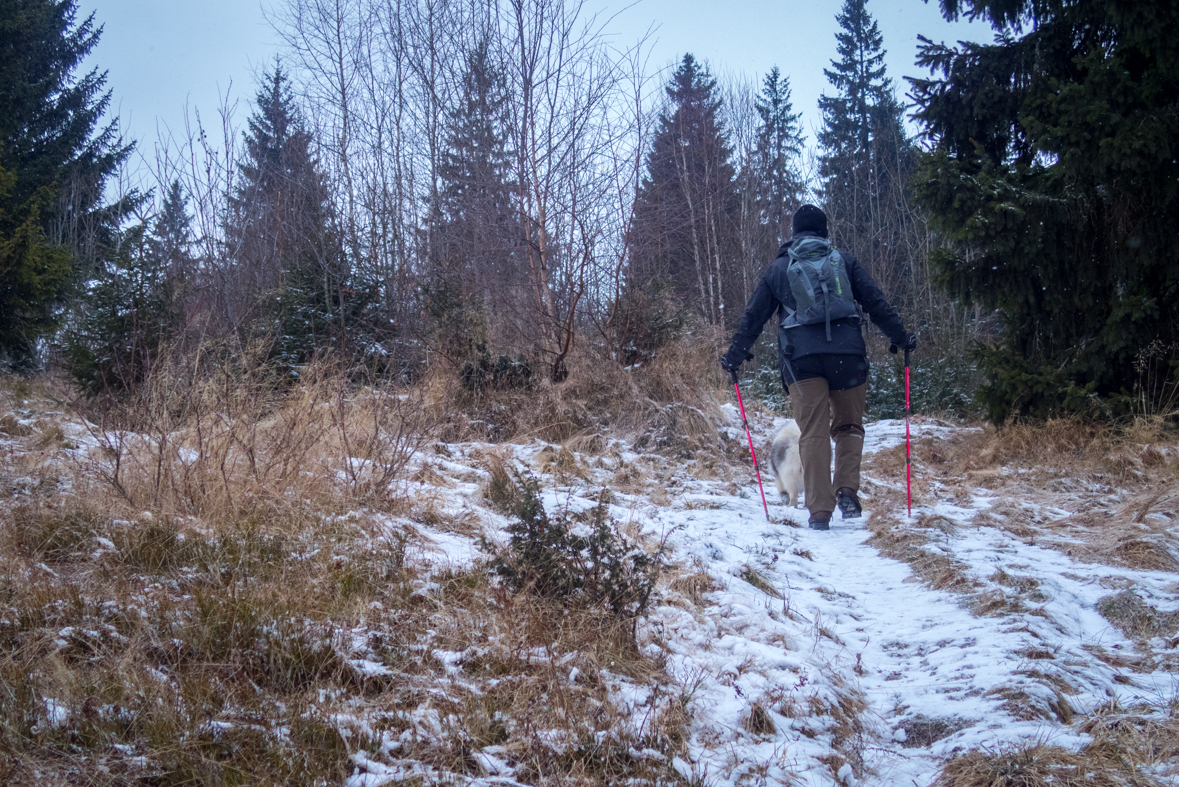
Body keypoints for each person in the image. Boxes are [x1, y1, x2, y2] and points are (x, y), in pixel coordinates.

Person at [721, 204, 915, 530]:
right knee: (849, 426)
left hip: (802, 361)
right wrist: (901, 338)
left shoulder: (779, 268)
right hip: (849, 356)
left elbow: (753, 318)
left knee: (813, 432)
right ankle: (847, 492)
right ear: (825, 232)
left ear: (794, 233)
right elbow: (876, 303)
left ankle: (820, 511)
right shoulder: (844, 262)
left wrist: (734, 356)